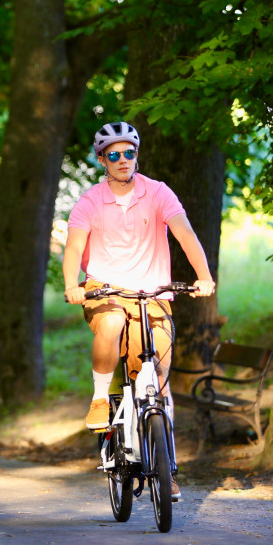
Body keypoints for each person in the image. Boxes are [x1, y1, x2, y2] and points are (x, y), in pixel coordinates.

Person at [63, 121, 215, 497]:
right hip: (106, 288)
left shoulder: (158, 193)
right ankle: (101, 399)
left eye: (128, 152)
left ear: (136, 155)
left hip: (152, 292)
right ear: (102, 160)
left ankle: (168, 468)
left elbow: (185, 233)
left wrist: (204, 276)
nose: (122, 160)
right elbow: (72, 247)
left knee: (158, 375)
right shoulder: (90, 202)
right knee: (112, 323)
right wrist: (72, 285)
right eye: (113, 154)